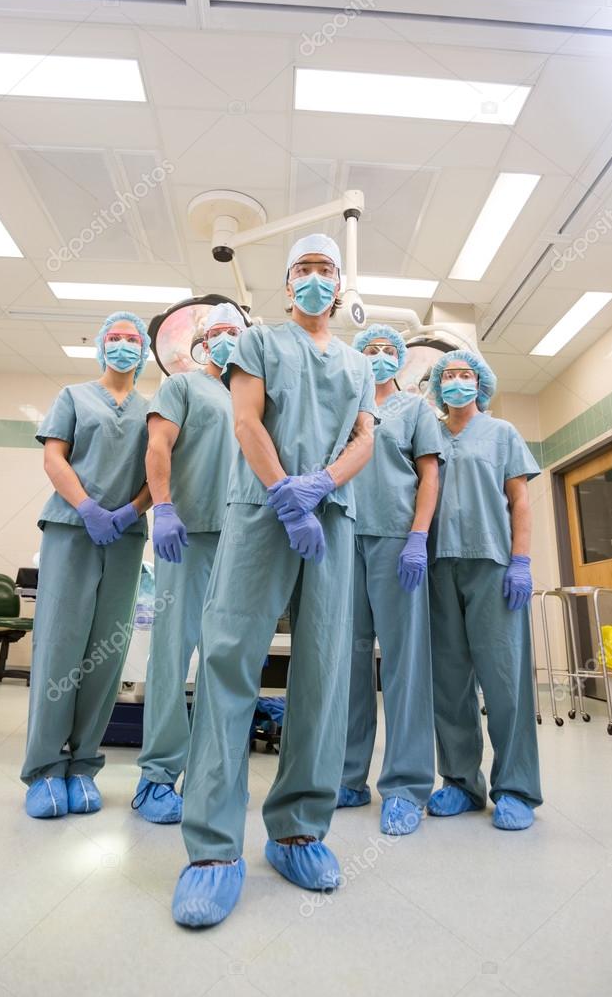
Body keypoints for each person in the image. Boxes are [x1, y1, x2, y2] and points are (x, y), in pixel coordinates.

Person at [172, 233, 376, 928]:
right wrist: (287, 492)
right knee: (230, 663)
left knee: (322, 673)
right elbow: (246, 418)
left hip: (333, 516)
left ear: (340, 285)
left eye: (327, 270)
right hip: (262, 510)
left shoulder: (356, 363)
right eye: (304, 271)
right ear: (288, 287)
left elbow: (365, 439)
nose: (316, 280)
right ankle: (212, 850)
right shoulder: (257, 343)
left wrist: (321, 485)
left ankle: (297, 832)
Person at [21, 312, 152, 818]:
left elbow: (158, 469)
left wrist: (130, 511)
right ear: (101, 347)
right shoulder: (74, 397)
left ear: (143, 351)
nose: (123, 346)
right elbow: (55, 458)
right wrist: (88, 508)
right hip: (72, 530)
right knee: (60, 646)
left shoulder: (151, 409)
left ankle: (83, 766)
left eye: (131, 339)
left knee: (106, 652)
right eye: (114, 338)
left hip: (124, 534)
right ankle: (44, 770)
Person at [132, 302, 247, 824]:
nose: (225, 339)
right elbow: (159, 446)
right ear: (201, 342)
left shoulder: (255, 398)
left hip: (244, 542)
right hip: (191, 535)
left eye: (235, 332)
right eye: (216, 332)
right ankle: (156, 778)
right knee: (173, 655)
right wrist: (165, 508)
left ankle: (213, 774)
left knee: (227, 660)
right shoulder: (181, 386)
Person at [426, 349, 541, 831]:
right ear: (436, 385)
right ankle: (459, 782)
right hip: (437, 565)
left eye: (464, 374)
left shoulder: (502, 433)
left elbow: (520, 501)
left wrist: (521, 560)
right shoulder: (427, 433)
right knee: (449, 683)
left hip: (493, 565)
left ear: (480, 383)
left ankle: (515, 788)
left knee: (504, 680)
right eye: (447, 375)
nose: (455, 381)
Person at [337, 324, 442, 835]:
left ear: (400, 359)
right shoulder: (344, 405)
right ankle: (347, 775)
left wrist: (419, 536)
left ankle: (405, 787)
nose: (377, 357)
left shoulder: (416, 410)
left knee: (404, 664)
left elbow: (430, 476)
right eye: (369, 350)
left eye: (386, 351)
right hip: (344, 540)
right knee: (349, 663)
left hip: (397, 543)